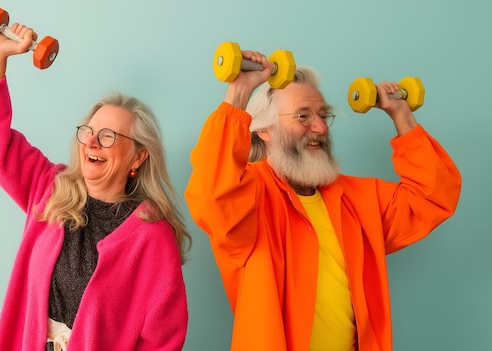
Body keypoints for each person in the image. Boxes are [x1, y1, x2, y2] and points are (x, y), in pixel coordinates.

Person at [185, 50, 461, 351]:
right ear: (263, 129)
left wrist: (402, 115)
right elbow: (212, 198)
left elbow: (433, 196)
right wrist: (238, 92)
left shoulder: (356, 199)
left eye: (322, 115)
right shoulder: (248, 197)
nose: (319, 127)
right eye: (303, 115)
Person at [0, 23, 191, 351]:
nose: (93, 143)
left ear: (138, 158)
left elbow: (162, 340)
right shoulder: (49, 188)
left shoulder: (151, 235)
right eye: (89, 131)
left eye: (109, 136)